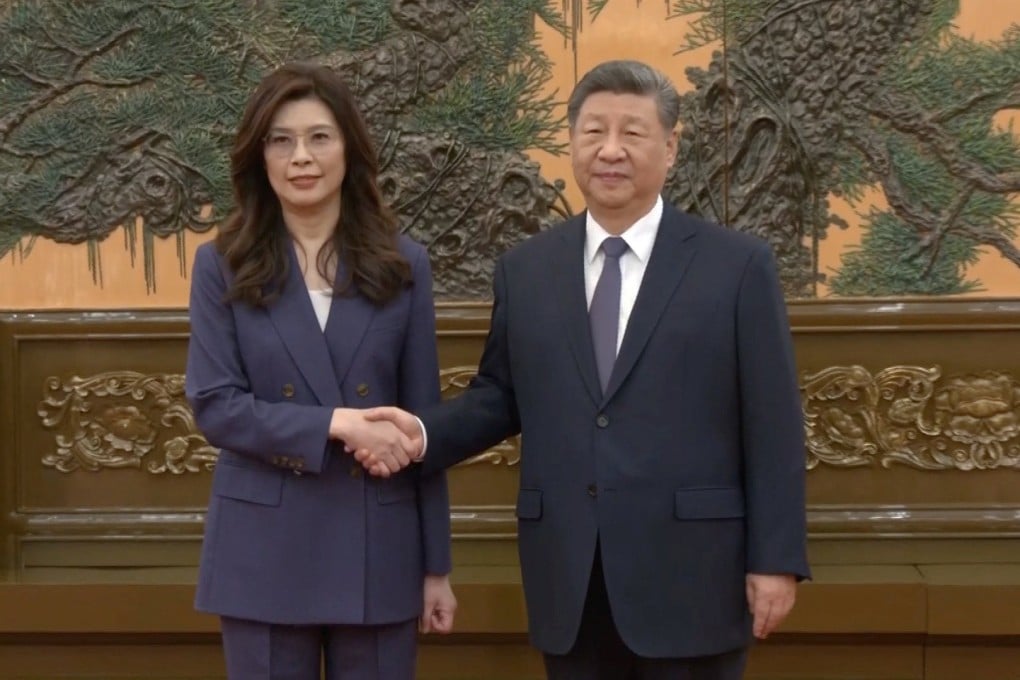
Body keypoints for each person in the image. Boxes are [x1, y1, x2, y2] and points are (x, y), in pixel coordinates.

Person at [358, 59, 809, 679]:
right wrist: (422, 435)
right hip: (570, 575)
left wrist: (776, 559)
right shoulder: (527, 269)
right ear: (571, 144)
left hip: (694, 577)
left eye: (633, 132)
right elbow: (500, 396)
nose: (611, 150)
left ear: (671, 147)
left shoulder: (737, 267)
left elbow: (774, 423)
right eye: (593, 132)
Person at [185, 62, 455, 680]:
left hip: (380, 549)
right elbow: (216, 405)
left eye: (319, 137)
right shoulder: (221, 264)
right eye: (281, 140)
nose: (300, 157)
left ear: (349, 150)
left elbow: (423, 428)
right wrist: (339, 423)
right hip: (263, 551)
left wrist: (436, 566)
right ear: (260, 157)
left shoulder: (402, 264)